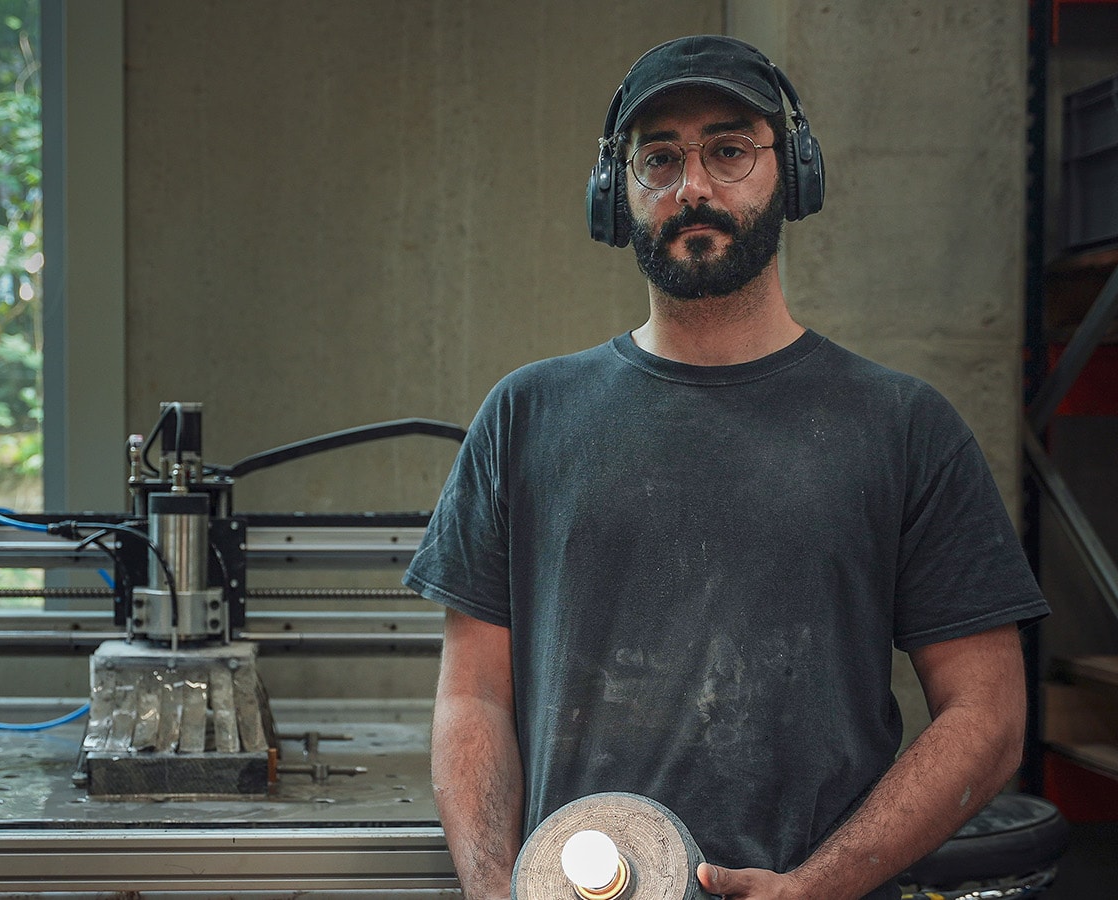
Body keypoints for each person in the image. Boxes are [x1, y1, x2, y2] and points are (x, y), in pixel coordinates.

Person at [403, 34, 1049, 900]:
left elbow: (990, 718)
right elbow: (473, 699)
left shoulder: (904, 426)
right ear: (615, 193)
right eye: (658, 159)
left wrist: (816, 886)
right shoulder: (525, 416)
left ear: (795, 174)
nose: (693, 186)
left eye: (730, 150)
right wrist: (494, 891)